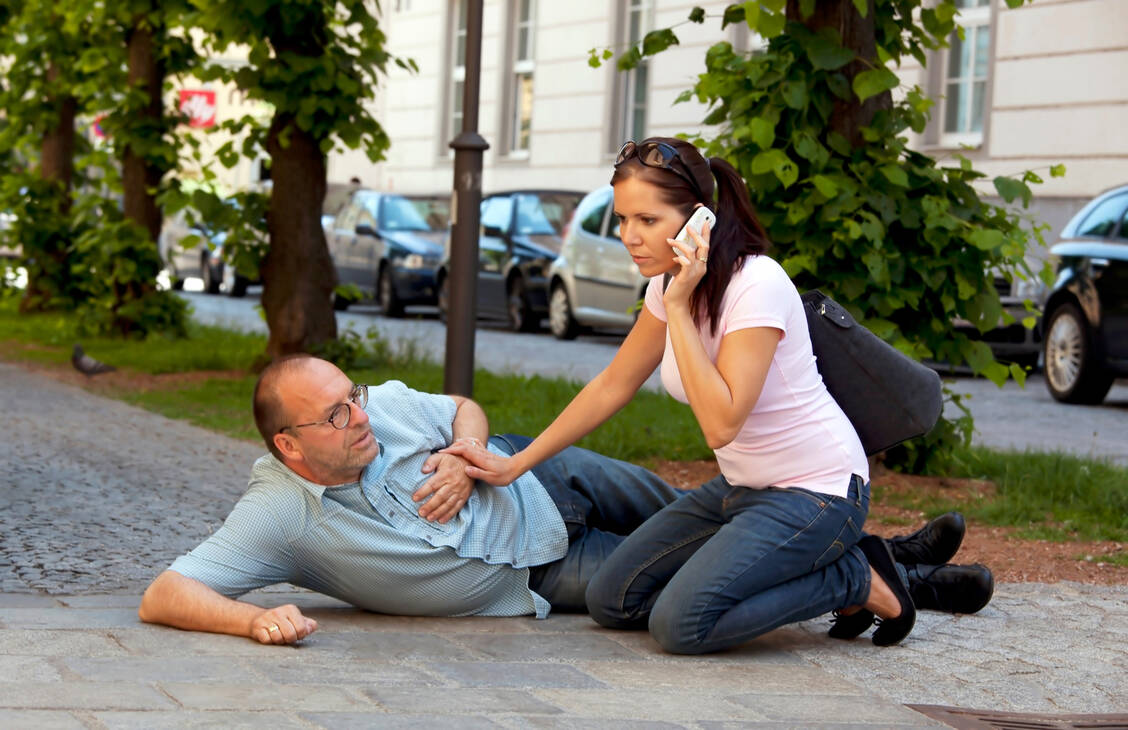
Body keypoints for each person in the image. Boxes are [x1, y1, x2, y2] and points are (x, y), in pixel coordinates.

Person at [442, 137, 993, 655]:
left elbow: (721, 424)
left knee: (681, 625)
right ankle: (814, 570)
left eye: (648, 220)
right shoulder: (666, 285)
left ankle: (852, 577)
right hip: (742, 489)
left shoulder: (757, 285)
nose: (629, 236)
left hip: (817, 491)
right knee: (611, 599)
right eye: (624, 220)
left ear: (698, 220)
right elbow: (613, 384)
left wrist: (680, 307)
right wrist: (515, 464)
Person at [138, 355, 983, 645]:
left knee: (726, 510)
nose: (359, 415)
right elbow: (164, 592)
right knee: (703, 568)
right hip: (544, 571)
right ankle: (907, 579)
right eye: (334, 415)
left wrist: (470, 456)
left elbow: (463, 408)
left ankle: (894, 555)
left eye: (352, 395)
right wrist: (254, 620)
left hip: (540, 473)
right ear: (289, 446)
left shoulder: (383, 405)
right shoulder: (282, 511)